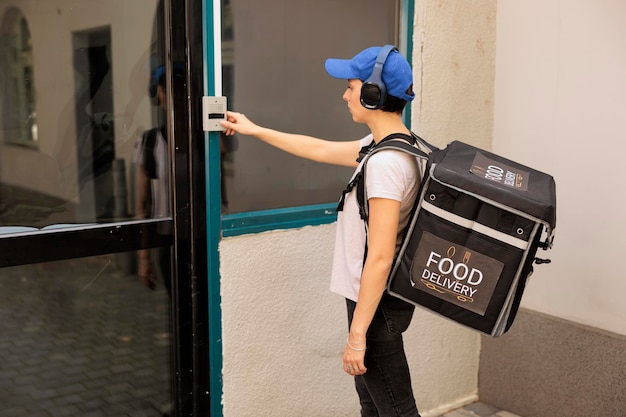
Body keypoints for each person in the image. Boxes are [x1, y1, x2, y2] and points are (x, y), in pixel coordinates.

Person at [222, 45, 422, 417]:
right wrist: (254, 129)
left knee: (396, 409)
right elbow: (318, 149)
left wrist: (358, 335)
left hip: (376, 307)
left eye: (351, 86)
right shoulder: (385, 147)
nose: (345, 94)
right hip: (371, 302)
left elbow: (380, 257)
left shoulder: (386, 165)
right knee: (374, 404)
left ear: (373, 94)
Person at [135, 65, 172, 294]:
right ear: (158, 93)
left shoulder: (207, 140)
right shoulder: (149, 143)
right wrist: (144, 257)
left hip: (205, 240)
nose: (174, 94)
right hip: (168, 241)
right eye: (166, 88)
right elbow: (143, 204)